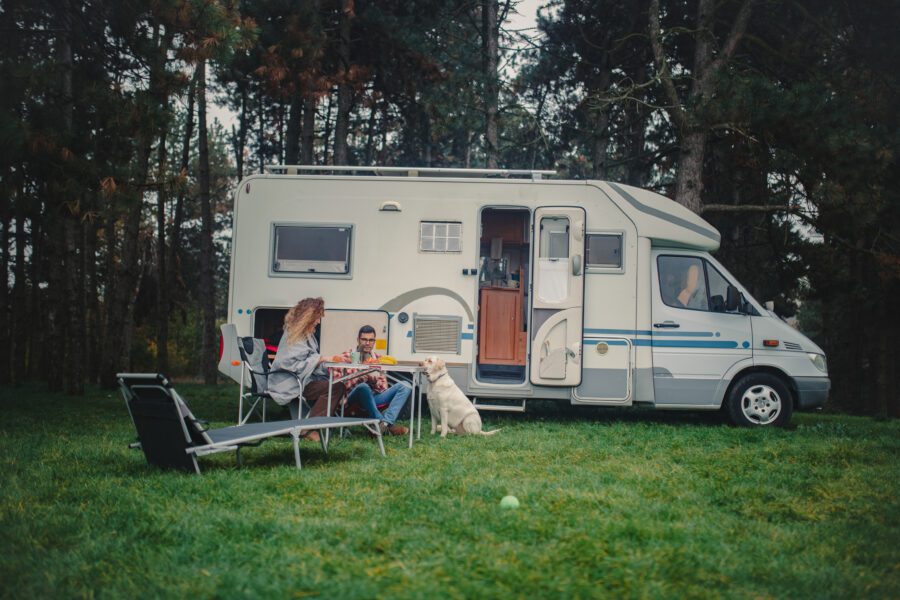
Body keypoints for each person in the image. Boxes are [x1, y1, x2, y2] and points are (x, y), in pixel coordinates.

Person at [267, 297, 343, 443]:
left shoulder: (306, 334)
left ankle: (314, 426)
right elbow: (290, 365)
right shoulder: (294, 336)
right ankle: (309, 428)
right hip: (290, 381)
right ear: (309, 317)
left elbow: (309, 361)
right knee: (335, 388)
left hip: (304, 379)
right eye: (317, 318)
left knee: (337, 385)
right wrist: (320, 359)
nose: (319, 322)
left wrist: (327, 362)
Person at [334, 325, 410, 436]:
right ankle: (388, 427)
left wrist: (374, 382)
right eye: (364, 339)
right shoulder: (347, 356)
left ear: (374, 341)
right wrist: (358, 378)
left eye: (371, 340)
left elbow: (383, 388)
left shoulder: (377, 359)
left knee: (406, 385)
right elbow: (337, 384)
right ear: (358, 340)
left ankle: (385, 423)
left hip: (373, 397)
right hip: (352, 398)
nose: (367, 343)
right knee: (363, 387)